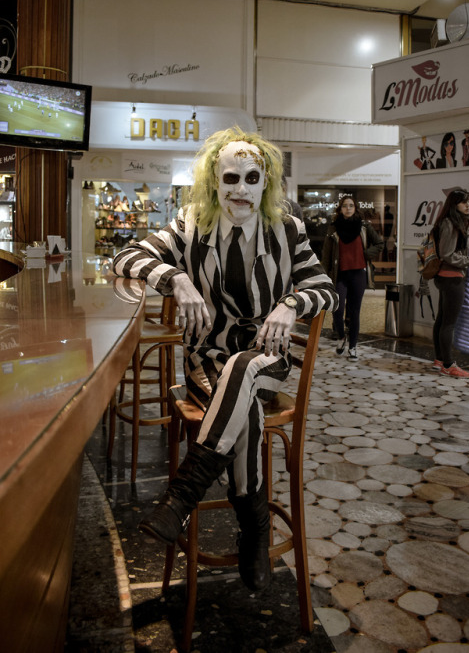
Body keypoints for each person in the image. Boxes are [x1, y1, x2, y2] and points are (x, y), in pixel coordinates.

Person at [113, 126, 337, 592]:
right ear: (214, 181)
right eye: (230, 178)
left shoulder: (288, 230)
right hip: (208, 360)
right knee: (246, 408)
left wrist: (291, 304)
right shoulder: (190, 226)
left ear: (266, 182)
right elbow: (126, 256)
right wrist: (176, 278)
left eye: (251, 179)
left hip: (268, 361)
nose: (240, 190)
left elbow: (325, 290)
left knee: (246, 368)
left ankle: (182, 494)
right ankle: (254, 530)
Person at [321, 195, 383, 360]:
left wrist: (366, 254)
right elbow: (326, 255)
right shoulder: (333, 228)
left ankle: (353, 347)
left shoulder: (363, 226)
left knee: (354, 312)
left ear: (355, 208)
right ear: (340, 209)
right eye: (345, 206)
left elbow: (379, 244)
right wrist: (324, 277)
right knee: (337, 309)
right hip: (339, 275)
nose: (348, 208)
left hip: (358, 274)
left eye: (351, 206)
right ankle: (341, 336)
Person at [432, 188, 469, 378]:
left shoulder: (447, 222)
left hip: (444, 277)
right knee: (448, 324)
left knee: (442, 320)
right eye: (464, 202)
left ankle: (439, 359)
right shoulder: (450, 223)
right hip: (451, 277)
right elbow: (447, 254)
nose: (468, 205)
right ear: (454, 205)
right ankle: (448, 364)